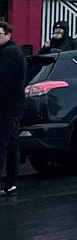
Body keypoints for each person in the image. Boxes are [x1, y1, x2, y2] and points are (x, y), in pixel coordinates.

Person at [0, 19, 27, 196]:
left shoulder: (9, 54)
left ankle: (8, 184)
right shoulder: (12, 52)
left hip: (6, 107)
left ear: (8, 35)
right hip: (14, 106)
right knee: (11, 146)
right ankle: (10, 184)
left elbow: (4, 83)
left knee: (2, 145)